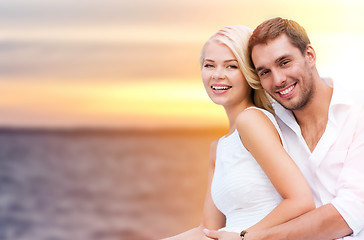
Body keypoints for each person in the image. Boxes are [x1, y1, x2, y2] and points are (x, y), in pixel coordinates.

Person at [204, 17, 364, 240]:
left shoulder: (358, 113)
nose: (278, 79)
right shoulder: (271, 124)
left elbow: (349, 213)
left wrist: (247, 237)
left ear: (309, 55)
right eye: (265, 72)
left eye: (284, 62)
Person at [162, 25, 315, 240]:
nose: (217, 75)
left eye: (231, 66)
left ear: (249, 72)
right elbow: (206, 230)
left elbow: (301, 201)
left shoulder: (251, 121)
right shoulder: (218, 147)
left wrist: (244, 236)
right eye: (209, 65)